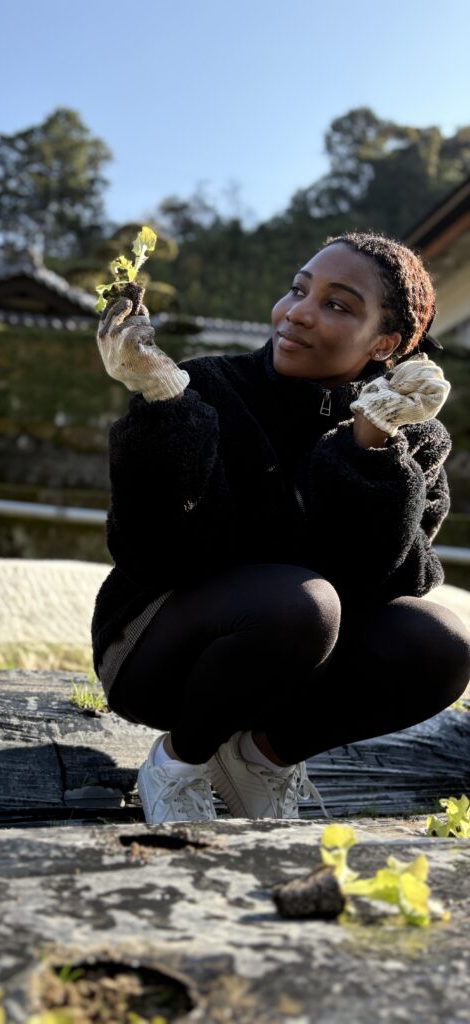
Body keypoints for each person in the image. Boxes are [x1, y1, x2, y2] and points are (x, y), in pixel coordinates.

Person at [91, 232, 470, 824]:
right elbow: (157, 555)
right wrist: (163, 403)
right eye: (298, 289)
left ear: (386, 343)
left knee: (441, 643)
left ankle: (260, 758)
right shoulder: (204, 389)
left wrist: (370, 449)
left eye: (337, 305)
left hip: (296, 670)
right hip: (161, 652)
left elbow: (396, 583)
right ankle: (177, 762)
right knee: (300, 603)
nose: (297, 312)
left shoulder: (411, 433)